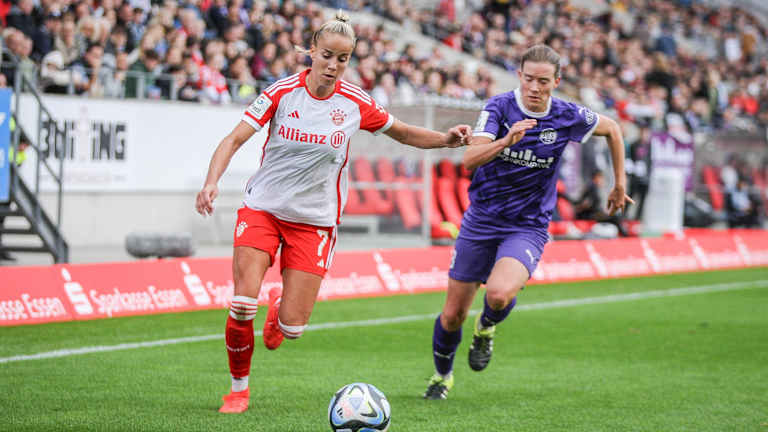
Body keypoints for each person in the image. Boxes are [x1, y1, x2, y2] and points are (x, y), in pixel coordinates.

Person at [194, 11, 471, 414]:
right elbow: (232, 139)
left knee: (291, 328)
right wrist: (211, 181)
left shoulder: (355, 102)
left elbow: (404, 132)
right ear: (311, 51)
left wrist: (446, 141)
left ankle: (280, 308)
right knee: (241, 303)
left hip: (315, 222)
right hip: (263, 211)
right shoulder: (281, 93)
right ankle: (238, 390)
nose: (333, 65)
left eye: (342, 59)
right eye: (327, 55)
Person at [424, 44, 633, 399]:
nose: (535, 87)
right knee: (451, 315)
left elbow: (613, 129)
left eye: (543, 81)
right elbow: (470, 159)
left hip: (528, 225)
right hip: (482, 221)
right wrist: (507, 140)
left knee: (500, 294)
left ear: (557, 81)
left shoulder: (567, 114)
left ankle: (486, 328)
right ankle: (442, 377)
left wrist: (619, 183)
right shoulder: (499, 108)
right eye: (529, 79)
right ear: (519, 76)